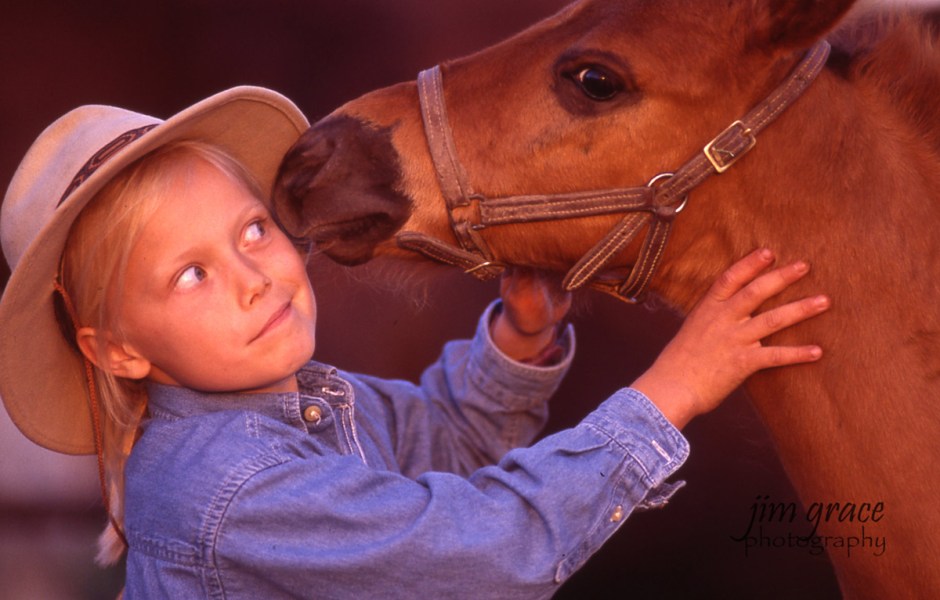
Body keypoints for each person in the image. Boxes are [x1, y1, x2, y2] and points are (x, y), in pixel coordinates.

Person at [0, 86, 830, 599]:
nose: (254, 276)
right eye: (190, 275)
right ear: (117, 352)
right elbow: (478, 558)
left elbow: (446, 443)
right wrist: (668, 394)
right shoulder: (225, 486)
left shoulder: (309, 403)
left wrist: (517, 340)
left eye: (252, 229)